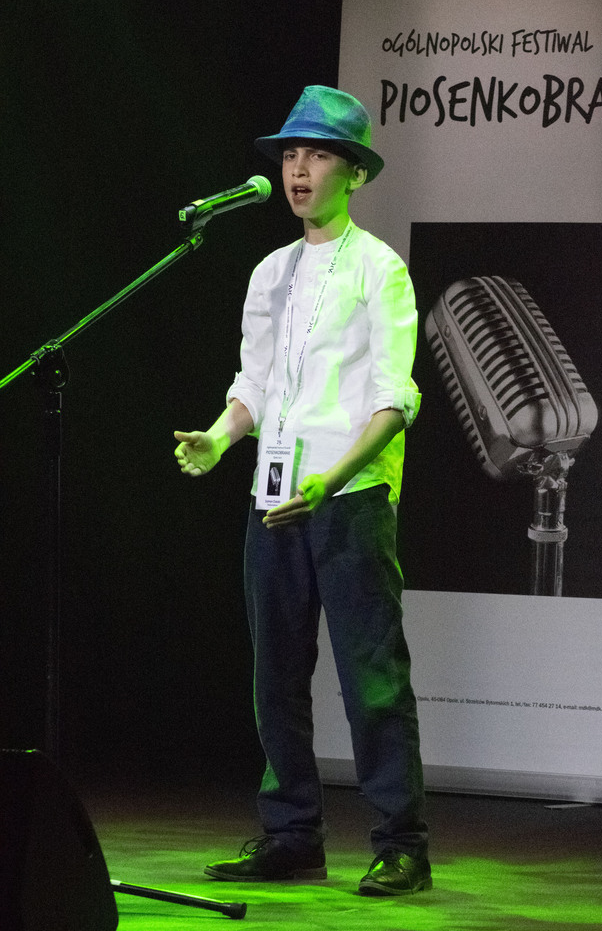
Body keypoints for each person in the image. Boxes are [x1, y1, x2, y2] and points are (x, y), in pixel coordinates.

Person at [174, 86, 430, 896]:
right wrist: (218, 438)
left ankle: (401, 842)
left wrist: (334, 479)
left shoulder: (380, 270)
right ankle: (291, 834)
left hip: (348, 500)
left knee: (371, 678)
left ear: (354, 173)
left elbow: (396, 399)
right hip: (273, 497)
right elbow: (253, 383)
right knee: (275, 676)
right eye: (290, 154)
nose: (298, 169)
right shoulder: (270, 272)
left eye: (317, 155)